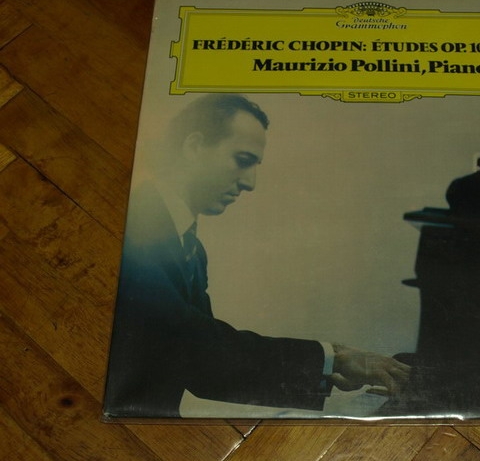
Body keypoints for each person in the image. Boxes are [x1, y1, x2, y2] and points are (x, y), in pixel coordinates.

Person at [104, 94, 410, 417]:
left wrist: (330, 368)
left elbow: (206, 366)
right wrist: (334, 358)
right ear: (194, 146)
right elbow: (194, 347)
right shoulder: (134, 228)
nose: (250, 183)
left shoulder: (188, 245)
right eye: (242, 160)